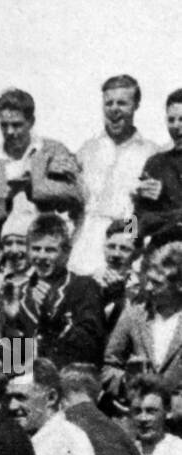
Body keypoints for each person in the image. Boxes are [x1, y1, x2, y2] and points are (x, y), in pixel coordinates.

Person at [0, 88, 83, 248]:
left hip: (46, 246)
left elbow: (74, 194)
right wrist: (4, 196)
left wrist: (33, 186)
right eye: (4, 125)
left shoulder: (53, 151)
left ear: (31, 122)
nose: (10, 131)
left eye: (17, 125)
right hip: (0, 249)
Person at [70, 75, 161, 275]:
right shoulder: (88, 149)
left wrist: (128, 243)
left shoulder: (151, 153)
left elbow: (140, 211)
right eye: (109, 103)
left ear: (136, 105)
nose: (114, 109)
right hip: (83, 246)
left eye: (122, 103)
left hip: (122, 244)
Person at [0, 212, 106, 368]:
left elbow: (89, 347)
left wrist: (50, 314)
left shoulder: (84, 287)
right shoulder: (19, 291)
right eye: (36, 248)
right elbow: (9, 360)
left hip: (68, 379)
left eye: (50, 250)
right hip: (25, 378)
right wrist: (12, 321)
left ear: (66, 253)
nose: (41, 256)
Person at [105, 240, 182, 391]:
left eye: (157, 283)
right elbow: (108, 365)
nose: (147, 287)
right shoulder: (134, 315)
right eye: (148, 280)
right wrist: (128, 381)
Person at [136, 89, 182, 241]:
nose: (176, 126)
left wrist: (159, 220)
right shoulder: (156, 163)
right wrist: (127, 236)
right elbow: (136, 217)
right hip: (162, 256)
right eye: (171, 120)